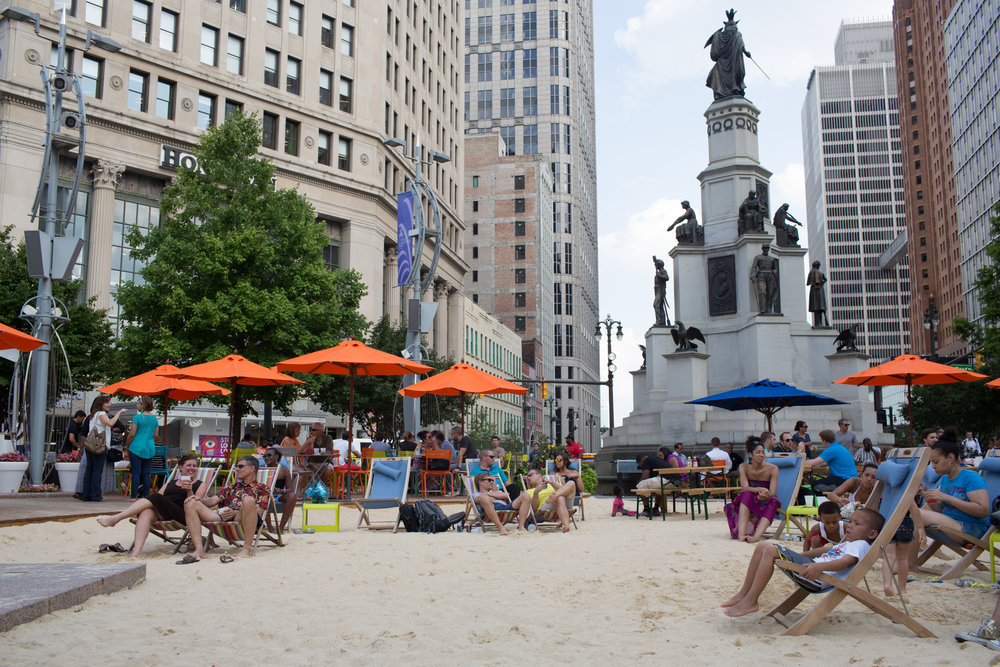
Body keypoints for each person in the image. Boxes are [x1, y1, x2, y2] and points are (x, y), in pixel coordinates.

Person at [721, 508, 885, 617]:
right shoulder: (849, 543)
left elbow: (845, 562)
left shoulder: (860, 545)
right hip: (813, 567)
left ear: (872, 534)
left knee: (770, 549)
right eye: (851, 521)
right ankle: (744, 593)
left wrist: (818, 566)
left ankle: (751, 601)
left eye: (857, 524)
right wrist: (797, 555)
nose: (849, 526)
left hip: (818, 576)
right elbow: (824, 551)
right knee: (763, 546)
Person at [96, 454, 209, 557]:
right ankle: (137, 551)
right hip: (164, 512)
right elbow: (158, 497)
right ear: (180, 467)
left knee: (155, 497)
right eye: (189, 465)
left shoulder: (200, 484)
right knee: (146, 512)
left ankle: (117, 518)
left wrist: (189, 490)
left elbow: (195, 503)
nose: (192, 468)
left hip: (183, 514)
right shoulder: (171, 482)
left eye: (194, 466)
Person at [178, 455, 271, 563]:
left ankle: (246, 549)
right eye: (236, 466)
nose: (237, 469)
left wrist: (236, 513)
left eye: (240, 466)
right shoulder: (230, 487)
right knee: (191, 503)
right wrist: (197, 498)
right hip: (223, 517)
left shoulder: (263, 488)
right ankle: (199, 550)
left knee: (248, 500)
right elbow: (213, 500)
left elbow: (259, 512)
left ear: (251, 469)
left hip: (244, 518)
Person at [919, 430, 990, 539]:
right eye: (931, 462)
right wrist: (926, 495)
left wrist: (947, 498)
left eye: (936, 462)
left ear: (950, 458)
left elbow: (983, 511)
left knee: (916, 514)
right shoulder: (945, 479)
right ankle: (901, 556)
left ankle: (900, 556)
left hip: (972, 528)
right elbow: (939, 511)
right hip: (952, 524)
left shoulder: (970, 477)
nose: (933, 466)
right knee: (913, 513)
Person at [724, 436, 780, 542]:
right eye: (758, 452)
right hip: (750, 497)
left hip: (766, 498)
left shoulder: (773, 469)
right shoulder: (743, 467)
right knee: (746, 495)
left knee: (774, 501)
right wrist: (759, 490)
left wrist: (764, 494)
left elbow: (773, 492)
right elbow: (745, 488)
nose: (761, 455)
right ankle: (741, 535)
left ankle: (756, 537)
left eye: (763, 452)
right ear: (750, 454)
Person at [82, 396, 126, 503]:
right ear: (101, 404)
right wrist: (119, 413)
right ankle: (96, 496)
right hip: (100, 446)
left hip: (90, 446)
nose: (109, 404)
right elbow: (110, 423)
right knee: (97, 471)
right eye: (107, 402)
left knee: (89, 470)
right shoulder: (101, 414)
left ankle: (86, 495)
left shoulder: (93, 415)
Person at [804, 429, 858, 494]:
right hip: (851, 479)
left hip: (845, 480)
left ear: (824, 441)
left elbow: (813, 462)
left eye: (821, 440)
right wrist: (816, 464)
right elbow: (824, 463)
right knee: (824, 481)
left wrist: (800, 460)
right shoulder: (837, 446)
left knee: (815, 485)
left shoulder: (831, 449)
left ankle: (824, 502)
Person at [125, 396, 159, 500]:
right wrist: (152, 443)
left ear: (143, 405)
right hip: (149, 448)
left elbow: (132, 434)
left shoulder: (137, 418)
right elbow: (156, 436)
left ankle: (133, 496)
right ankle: (146, 496)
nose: (137, 405)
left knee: (136, 472)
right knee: (146, 473)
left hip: (136, 447)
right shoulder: (154, 419)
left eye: (138, 403)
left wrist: (127, 445)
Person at [262, 448, 297, 532]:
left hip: (279, 496)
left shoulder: (283, 470)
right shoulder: (262, 470)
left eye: (269, 455)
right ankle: (270, 527)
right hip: (266, 496)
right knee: (263, 497)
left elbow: (290, 489)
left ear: (276, 456)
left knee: (292, 496)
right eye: (265, 456)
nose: (267, 458)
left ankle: (281, 527)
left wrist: (282, 491)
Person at [749, 244, 779, 313]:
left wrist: (775, 271)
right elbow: (754, 267)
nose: (766, 249)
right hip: (761, 275)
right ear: (762, 249)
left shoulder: (772, 259)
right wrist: (753, 275)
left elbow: (774, 268)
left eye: (767, 248)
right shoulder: (758, 258)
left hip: (770, 275)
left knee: (770, 293)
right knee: (762, 291)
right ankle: (762, 309)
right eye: (765, 248)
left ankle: (769, 309)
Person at [652, 255, 671, 327]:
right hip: (657, 290)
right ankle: (661, 322)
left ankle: (659, 321)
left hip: (660, 290)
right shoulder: (660, 271)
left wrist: (659, 275)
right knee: (660, 306)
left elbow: (666, 277)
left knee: (656, 304)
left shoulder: (663, 271)